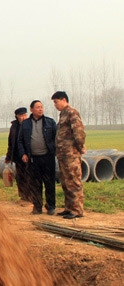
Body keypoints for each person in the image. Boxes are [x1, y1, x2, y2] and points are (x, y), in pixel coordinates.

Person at [17, 100, 57, 215]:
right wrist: (23, 154)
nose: (40, 109)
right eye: (38, 107)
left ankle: (51, 206)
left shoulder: (50, 122)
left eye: (42, 107)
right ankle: (37, 206)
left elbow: (56, 138)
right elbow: (20, 141)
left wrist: (55, 151)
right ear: (31, 109)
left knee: (49, 183)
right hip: (33, 159)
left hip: (48, 158)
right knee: (35, 184)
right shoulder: (25, 124)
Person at [51, 91, 86, 219]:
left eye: (56, 102)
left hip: (71, 154)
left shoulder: (72, 112)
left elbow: (79, 132)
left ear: (64, 100)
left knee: (73, 181)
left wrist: (80, 147)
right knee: (65, 182)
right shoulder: (62, 114)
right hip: (62, 154)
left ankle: (77, 210)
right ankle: (69, 208)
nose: (55, 105)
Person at [5, 107, 30, 202]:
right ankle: (23, 197)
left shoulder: (29, 125)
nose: (24, 117)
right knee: (20, 177)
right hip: (17, 156)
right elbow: (11, 142)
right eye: (21, 115)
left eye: (25, 115)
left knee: (29, 177)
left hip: (28, 156)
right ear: (17, 116)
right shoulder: (14, 127)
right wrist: (8, 156)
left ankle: (30, 197)